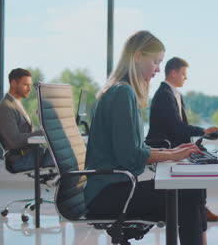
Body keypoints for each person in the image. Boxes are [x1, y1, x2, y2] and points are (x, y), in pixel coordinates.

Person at [84, 31, 208, 245]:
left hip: (109, 190)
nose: (159, 69)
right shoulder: (123, 94)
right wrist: (173, 154)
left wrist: (172, 153)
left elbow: (133, 147)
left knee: (192, 189)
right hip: (107, 196)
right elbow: (130, 156)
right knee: (190, 193)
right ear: (138, 56)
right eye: (155, 62)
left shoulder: (120, 90)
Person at [146, 57, 218, 222]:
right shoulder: (164, 94)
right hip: (164, 145)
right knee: (200, 156)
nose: (185, 78)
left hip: (172, 142)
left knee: (200, 152)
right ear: (173, 73)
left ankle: (200, 205)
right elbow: (176, 127)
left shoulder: (172, 93)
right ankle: (199, 206)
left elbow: (179, 125)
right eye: (183, 74)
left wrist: (202, 132)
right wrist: (203, 130)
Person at [0, 68, 54, 172]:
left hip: (32, 154)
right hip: (20, 160)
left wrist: (42, 119)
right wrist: (42, 133)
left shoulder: (16, 103)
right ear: (13, 83)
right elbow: (14, 141)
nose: (29, 89)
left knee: (68, 153)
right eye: (26, 85)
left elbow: (26, 132)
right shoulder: (5, 107)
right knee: (67, 157)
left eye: (30, 85)